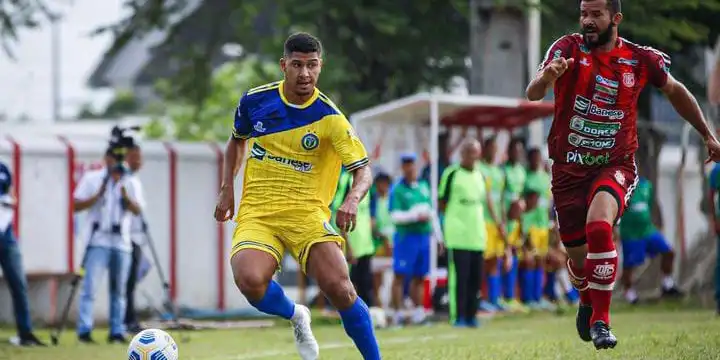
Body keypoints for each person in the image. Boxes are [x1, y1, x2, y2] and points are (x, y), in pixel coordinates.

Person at [526, 0, 720, 349]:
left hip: (615, 164)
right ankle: (586, 298)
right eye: (584, 13)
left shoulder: (640, 59)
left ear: (615, 18)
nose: (588, 20)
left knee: (600, 227)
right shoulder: (566, 48)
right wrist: (547, 77)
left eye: (596, 14)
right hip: (568, 170)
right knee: (578, 259)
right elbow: (533, 92)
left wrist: (707, 134)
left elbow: (675, 91)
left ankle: (602, 322)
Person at [213, 33, 380, 360]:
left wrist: (351, 200)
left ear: (321, 67)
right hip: (258, 213)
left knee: (341, 289)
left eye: (312, 66)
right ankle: (295, 315)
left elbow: (363, 171)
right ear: (283, 65)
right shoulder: (255, 101)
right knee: (249, 280)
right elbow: (237, 141)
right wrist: (226, 189)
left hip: (306, 215)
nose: (305, 73)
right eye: (297, 65)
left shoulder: (331, 119)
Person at [73, 146, 144, 343]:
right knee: (90, 287)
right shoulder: (92, 178)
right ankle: (84, 329)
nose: (117, 162)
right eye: (114, 157)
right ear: (106, 158)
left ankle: (116, 330)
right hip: (98, 240)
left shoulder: (130, 181)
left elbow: (138, 210)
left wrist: (125, 197)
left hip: (121, 241)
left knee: (119, 290)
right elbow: (75, 205)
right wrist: (97, 195)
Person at [438, 139, 492, 327]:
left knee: (475, 278)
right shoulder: (451, 173)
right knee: (459, 278)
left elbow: (487, 203)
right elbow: (442, 203)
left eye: (475, 152)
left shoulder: (481, 175)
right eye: (469, 152)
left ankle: (471, 315)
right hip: (458, 235)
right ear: (462, 154)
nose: (472, 156)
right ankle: (458, 316)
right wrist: (446, 229)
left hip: (476, 234)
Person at [617, 171, 682, 304]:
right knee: (629, 265)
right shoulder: (621, 185)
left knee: (669, 252)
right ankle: (629, 294)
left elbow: (650, 205)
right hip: (631, 233)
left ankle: (667, 284)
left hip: (647, 230)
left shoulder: (646, 185)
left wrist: (655, 223)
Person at [0, 161, 45, 346]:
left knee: (19, 283)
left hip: (6, 231)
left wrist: (9, 200)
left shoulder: (2, 168)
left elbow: (12, 193)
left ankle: (25, 333)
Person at [388, 153, 432, 327]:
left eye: (412, 164)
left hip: (423, 237)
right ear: (402, 167)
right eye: (406, 164)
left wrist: (438, 235)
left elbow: (431, 210)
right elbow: (395, 215)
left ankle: (418, 313)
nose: (410, 168)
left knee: (420, 276)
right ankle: (397, 313)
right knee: (399, 275)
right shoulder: (398, 189)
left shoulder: (423, 185)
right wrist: (414, 215)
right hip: (406, 237)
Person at [332, 168, 375, 307]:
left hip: (365, 246)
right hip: (352, 245)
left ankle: (366, 319)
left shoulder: (365, 182)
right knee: (349, 287)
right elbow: (340, 212)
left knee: (366, 285)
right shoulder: (346, 180)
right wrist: (347, 246)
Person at [519, 148, 554, 311]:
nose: (535, 161)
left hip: (543, 225)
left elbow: (548, 203)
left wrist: (550, 222)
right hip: (530, 224)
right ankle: (528, 298)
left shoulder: (545, 177)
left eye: (537, 158)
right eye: (532, 158)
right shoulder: (525, 177)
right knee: (530, 260)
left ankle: (538, 297)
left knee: (541, 261)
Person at [477, 136, 508, 312]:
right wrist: (497, 222)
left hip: (497, 223)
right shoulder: (480, 169)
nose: (493, 151)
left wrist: (503, 221)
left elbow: (501, 199)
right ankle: (481, 298)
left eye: (495, 148)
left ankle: (494, 298)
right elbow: (488, 199)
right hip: (485, 221)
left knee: (495, 260)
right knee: (484, 260)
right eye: (490, 148)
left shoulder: (498, 172)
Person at [501, 137, 528, 313]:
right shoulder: (503, 170)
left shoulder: (521, 171)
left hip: (518, 219)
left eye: (519, 151)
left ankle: (512, 296)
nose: (517, 154)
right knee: (504, 255)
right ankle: (503, 297)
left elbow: (523, 195)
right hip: (506, 218)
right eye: (514, 150)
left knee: (515, 256)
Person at [124, 144, 146, 333]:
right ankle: (127, 319)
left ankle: (129, 317)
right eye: (134, 157)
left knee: (132, 280)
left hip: (137, 237)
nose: (139, 161)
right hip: (127, 237)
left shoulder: (134, 180)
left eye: (140, 157)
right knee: (128, 281)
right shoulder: (124, 181)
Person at [369, 172, 393, 308]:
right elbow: (372, 224)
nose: (383, 186)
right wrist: (383, 239)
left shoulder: (392, 200)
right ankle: (378, 306)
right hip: (378, 244)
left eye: (386, 183)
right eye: (380, 183)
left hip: (394, 244)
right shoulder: (374, 201)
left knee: (394, 276)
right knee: (377, 277)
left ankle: (391, 306)